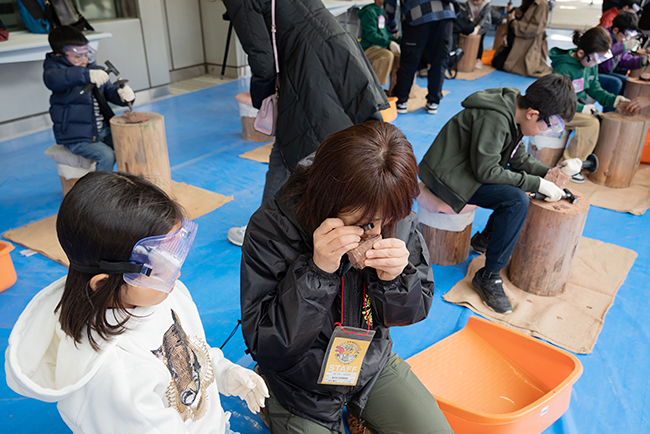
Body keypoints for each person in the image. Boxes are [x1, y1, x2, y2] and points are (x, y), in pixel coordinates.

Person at [5, 171, 269, 434]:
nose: (175, 269)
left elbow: (188, 351)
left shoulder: (163, 293)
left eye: (174, 250)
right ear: (102, 283)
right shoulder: (115, 378)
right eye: (157, 263)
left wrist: (223, 372)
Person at [240, 121, 455, 434]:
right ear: (328, 200)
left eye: (388, 219)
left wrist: (394, 280)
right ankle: (278, 411)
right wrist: (318, 270)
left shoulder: (393, 213)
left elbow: (414, 309)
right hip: (298, 385)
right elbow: (266, 342)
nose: (377, 231)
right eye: (365, 223)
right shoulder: (272, 228)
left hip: (369, 365)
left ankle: (359, 413)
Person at [223, 0, 389, 246]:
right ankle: (266, 223)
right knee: (355, 144)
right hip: (340, 52)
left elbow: (262, 59)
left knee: (304, 151)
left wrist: (263, 100)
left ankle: (266, 228)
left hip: (308, 69)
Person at [418, 74, 578, 314]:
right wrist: (536, 184)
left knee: (515, 190)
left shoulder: (515, 110)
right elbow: (486, 171)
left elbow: (516, 157)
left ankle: (486, 240)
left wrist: (548, 175)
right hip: (447, 176)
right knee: (515, 199)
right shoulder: (495, 117)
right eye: (549, 125)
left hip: (465, 171)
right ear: (533, 114)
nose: (548, 132)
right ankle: (488, 276)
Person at [550, 27, 639, 180]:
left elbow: (595, 88)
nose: (596, 63)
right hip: (558, 109)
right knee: (591, 123)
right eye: (596, 59)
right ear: (580, 53)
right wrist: (582, 108)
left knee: (602, 119)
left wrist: (615, 100)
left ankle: (585, 160)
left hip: (574, 107)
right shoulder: (563, 67)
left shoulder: (590, 64)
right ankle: (567, 167)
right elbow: (558, 98)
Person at [44, 26, 135, 172]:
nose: (84, 60)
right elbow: (55, 79)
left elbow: (109, 91)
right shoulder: (55, 74)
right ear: (60, 55)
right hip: (77, 136)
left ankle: (131, 182)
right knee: (106, 156)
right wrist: (86, 75)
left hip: (102, 130)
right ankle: (98, 193)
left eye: (86, 54)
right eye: (78, 56)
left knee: (129, 143)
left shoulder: (94, 70)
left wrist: (122, 95)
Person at [385, 0, 456, 114]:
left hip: (417, 14)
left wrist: (392, 24)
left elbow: (390, 2)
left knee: (410, 59)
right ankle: (434, 101)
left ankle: (401, 101)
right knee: (440, 60)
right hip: (445, 14)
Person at [496, 0, 553, 78]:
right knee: (497, 61)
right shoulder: (528, 2)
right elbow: (519, 14)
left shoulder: (541, 4)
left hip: (527, 42)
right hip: (516, 38)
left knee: (503, 64)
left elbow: (534, 29)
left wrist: (514, 22)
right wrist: (512, 12)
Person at [599, 11, 646, 96]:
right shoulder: (602, 36)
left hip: (605, 73)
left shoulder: (619, 41)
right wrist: (623, 46)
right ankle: (609, 109)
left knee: (628, 81)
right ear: (616, 30)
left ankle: (619, 107)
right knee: (615, 83)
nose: (628, 38)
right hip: (592, 73)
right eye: (627, 34)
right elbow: (602, 54)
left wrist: (643, 60)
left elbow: (625, 61)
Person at [359, 0, 401, 90]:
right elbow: (371, 35)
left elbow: (385, 35)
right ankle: (375, 89)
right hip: (368, 47)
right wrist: (388, 43)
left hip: (380, 46)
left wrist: (401, 40)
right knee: (386, 55)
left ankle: (394, 91)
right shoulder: (369, 12)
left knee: (401, 55)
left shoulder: (383, 12)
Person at [455, 0, 493, 69]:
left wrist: (478, 27)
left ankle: (478, 59)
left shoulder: (487, 4)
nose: (475, 2)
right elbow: (467, 14)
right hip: (473, 23)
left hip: (484, 25)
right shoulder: (468, 3)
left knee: (480, 40)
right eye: (473, 0)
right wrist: (470, 22)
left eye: (477, 1)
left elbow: (485, 17)